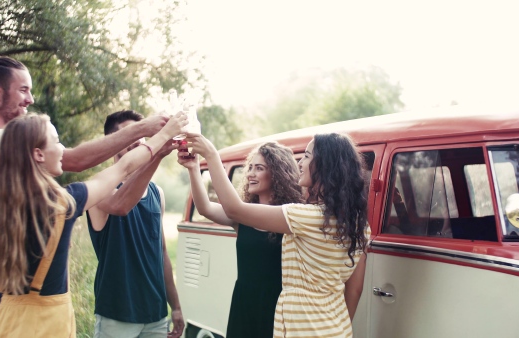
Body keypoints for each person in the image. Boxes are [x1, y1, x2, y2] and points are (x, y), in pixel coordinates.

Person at [0, 50, 167, 336]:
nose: (30, 99)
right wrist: (146, 131)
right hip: (16, 281)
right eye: (23, 90)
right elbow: (78, 161)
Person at [0, 112, 187, 337]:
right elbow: (122, 169)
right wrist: (163, 136)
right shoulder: (62, 202)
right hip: (48, 324)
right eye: (56, 142)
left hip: (6, 323)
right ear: (38, 154)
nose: (62, 149)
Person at [184, 133, 370, 338]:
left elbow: (233, 208)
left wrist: (211, 154)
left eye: (306, 156)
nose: (300, 163)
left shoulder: (304, 217)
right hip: (336, 327)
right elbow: (354, 290)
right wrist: (337, 327)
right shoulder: (359, 225)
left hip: (302, 327)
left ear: (323, 165)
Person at [178, 141, 303, 338]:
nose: (251, 173)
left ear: (278, 174)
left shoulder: (291, 216)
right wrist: (194, 169)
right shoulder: (242, 216)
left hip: (277, 305)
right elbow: (205, 208)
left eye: (259, 168)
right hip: (243, 302)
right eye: (250, 167)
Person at [86, 110, 184, 338]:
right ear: (113, 142)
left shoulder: (156, 193)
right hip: (117, 313)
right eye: (130, 135)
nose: (137, 142)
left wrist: (176, 306)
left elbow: (161, 254)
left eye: (141, 136)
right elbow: (121, 204)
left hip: (155, 313)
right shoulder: (99, 186)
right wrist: (158, 156)